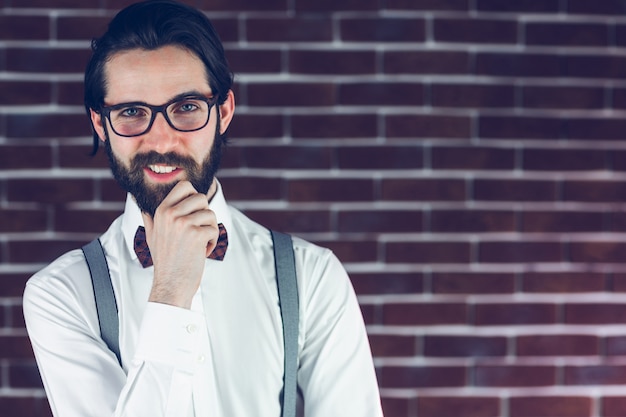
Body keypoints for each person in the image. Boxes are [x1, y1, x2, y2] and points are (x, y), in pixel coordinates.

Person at [22, 1, 384, 416]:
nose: (161, 140)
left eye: (186, 108)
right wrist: (171, 290)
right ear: (101, 125)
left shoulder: (312, 276)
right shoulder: (60, 294)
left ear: (224, 112)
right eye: (132, 112)